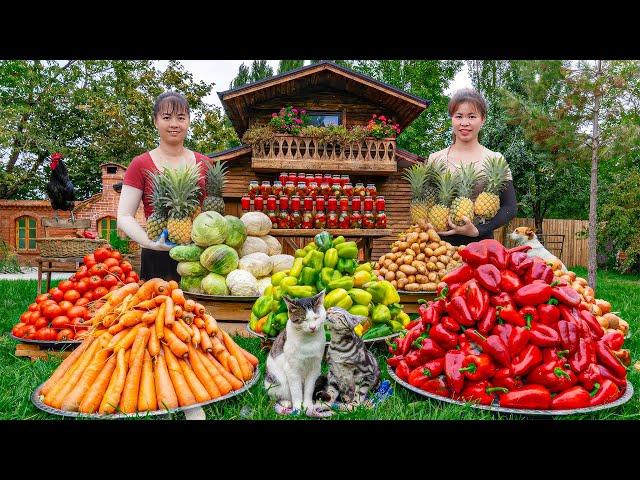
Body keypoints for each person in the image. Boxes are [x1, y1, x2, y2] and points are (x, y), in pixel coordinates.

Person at [117, 91, 208, 282]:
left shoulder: (205, 163)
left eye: (181, 117)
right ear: (155, 121)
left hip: (199, 256)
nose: (174, 124)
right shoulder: (140, 163)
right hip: (156, 256)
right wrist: (150, 243)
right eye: (167, 117)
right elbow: (124, 216)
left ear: (189, 121)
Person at [426, 88, 517, 246]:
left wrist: (479, 230)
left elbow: (510, 206)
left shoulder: (495, 159)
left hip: (481, 244)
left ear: (482, 119)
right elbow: (426, 201)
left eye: (472, 116)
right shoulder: (435, 158)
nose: (464, 123)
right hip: (438, 247)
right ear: (451, 119)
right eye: (459, 116)